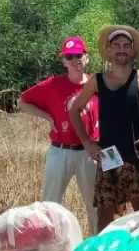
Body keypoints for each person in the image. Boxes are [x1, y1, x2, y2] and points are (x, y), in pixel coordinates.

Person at [69, 26, 139, 232]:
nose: (121, 49)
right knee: (105, 220)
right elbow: (75, 110)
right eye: (116, 45)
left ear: (132, 50)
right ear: (109, 50)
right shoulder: (97, 81)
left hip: (137, 153)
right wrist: (86, 141)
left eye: (126, 45)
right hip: (109, 154)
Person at [18, 37, 100, 231]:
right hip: (60, 150)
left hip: (89, 151)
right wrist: (47, 116)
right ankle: (51, 246)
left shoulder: (97, 84)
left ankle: (98, 245)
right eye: (69, 57)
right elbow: (22, 102)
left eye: (78, 55)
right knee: (50, 205)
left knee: (95, 204)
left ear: (86, 58)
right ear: (63, 61)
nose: (74, 60)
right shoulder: (53, 84)